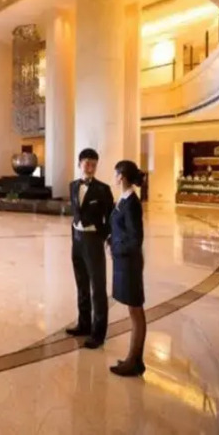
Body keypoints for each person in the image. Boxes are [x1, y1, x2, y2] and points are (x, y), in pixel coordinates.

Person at [66, 148, 115, 349]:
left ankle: (98, 333)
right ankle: (84, 324)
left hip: (93, 240)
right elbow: (75, 211)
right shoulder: (73, 186)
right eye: (87, 163)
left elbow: (111, 217)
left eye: (94, 164)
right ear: (79, 164)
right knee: (81, 284)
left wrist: (102, 236)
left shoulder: (103, 189)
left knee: (98, 288)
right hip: (77, 240)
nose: (90, 167)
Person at [109, 160, 146, 377]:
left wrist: (116, 248)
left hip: (129, 262)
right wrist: (111, 240)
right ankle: (134, 358)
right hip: (124, 261)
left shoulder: (131, 203)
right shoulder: (124, 199)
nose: (114, 177)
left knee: (135, 309)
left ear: (121, 176)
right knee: (134, 309)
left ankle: (135, 360)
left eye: (115, 174)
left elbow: (135, 239)